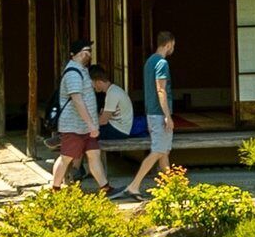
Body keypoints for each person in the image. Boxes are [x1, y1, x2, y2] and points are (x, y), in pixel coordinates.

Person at [128, 28, 180, 194]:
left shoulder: (150, 61)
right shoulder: (162, 63)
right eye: (173, 45)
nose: (173, 49)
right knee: (158, 151)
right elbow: (161, 90)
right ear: (168, 44)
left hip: (151, 112)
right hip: (159, 114)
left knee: (164, 152)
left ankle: (171, 189)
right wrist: (167, 116)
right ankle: (134, 185)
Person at [49, 39, 104, 192]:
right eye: (87, 51)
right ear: (78, 53)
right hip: (74, 126)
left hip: (84, 127)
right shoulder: (73, 73)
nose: (89, 54)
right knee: (66, 157)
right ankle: (55, 188)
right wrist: (91, 124)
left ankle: (105, 187)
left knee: (94, 154)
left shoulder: (82, 70)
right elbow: (77, 100)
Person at [94, 67, 139, 196]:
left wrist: (89, 124)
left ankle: (77, 168)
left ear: (98, 81)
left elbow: (103, 121)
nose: (93, 87)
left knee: (86, 135)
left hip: (118, 130)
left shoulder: (112, 94)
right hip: (118, 127)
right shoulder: (114, 90)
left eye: (93, 84)